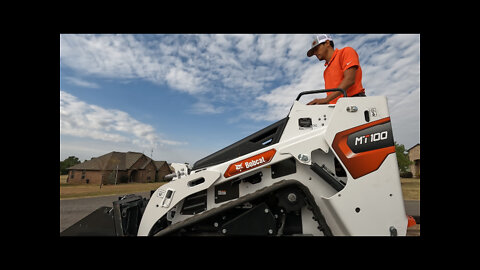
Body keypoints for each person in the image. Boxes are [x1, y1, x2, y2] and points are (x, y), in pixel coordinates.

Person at [306, 34, 366, 105]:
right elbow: (333, 97)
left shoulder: (346, 52)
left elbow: (350, 80)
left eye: (316, 49)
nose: (315, 53)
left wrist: (326, 99)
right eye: (313, 52)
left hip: (355, 103)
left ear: (327, 43)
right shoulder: (326, 72)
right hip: (337, 108)